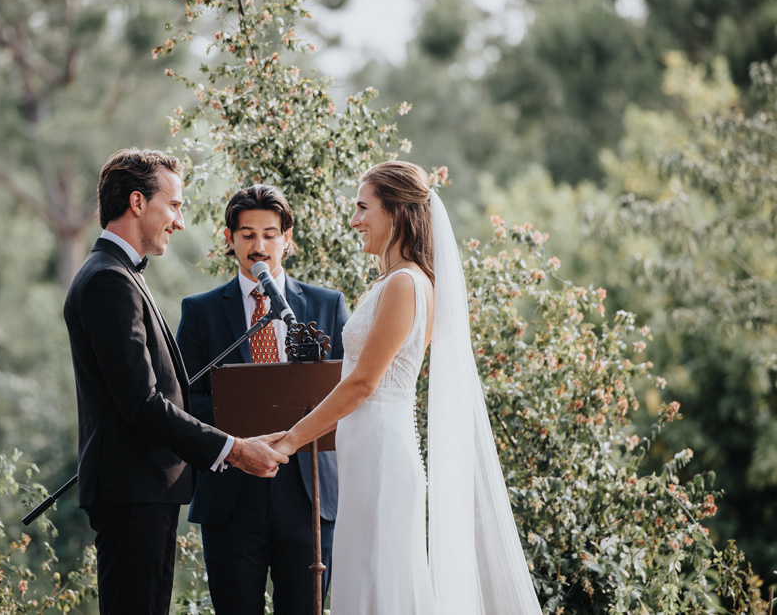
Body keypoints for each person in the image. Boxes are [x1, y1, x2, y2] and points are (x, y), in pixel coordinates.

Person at [271, 161, 543, 614]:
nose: (355, 220)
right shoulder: (391, 281)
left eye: (363, 208)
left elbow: (361, 383)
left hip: (381, 457)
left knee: (381, 586)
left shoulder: (404, 284)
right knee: (366, 583)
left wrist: (291, 439)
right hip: (364, 455)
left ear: (394, 212)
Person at [64, 149, 289, 615]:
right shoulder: (109, 280)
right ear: (138, 203)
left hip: (144, 492)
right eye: (175, 205)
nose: (180, 222)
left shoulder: (120, 274)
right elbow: (143, 402)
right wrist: (236, 449)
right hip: (133, 492)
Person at [176, 185, 350, 614]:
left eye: (270, 234)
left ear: (287, 239)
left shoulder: (327, 305)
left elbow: (347, 393)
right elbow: (182, 398)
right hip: (230, 496)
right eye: (248, 234)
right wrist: (238, 433)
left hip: (308, 492)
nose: (259, 246)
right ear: (228, 239)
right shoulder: (199, 311)